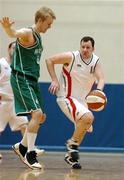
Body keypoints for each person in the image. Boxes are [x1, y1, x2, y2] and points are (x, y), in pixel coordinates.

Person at [0, 6, 56, 169]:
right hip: (21, 78)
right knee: (37, 114)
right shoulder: (28, 33)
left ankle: (21, 146)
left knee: (41, 117)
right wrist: (7, 28)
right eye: (48, 23)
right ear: (40, 20)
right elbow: (14, 34)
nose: (50, 27)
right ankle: (29, 155)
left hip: (32, 80)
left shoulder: (38, 36)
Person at [45, 36, 105, 169]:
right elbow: (49, 60)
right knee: (88, 117)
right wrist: (54, 80)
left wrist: (98, 92)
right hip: (66, 97)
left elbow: (101, 79)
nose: (84, 49)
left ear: (93, 49)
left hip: (82, 101)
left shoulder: (95, 61)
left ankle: (71, 156)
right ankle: (72, 144)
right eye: (82, 47)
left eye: (88, 47)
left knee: (85, 124)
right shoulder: (71, 56)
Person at [0, 42, 44, 159]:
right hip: (2, 101)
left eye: (17, 48)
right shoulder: (1, 63)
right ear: (8, 49)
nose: (15, 50)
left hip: (15, 101)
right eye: (13, 48)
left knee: (25, 125)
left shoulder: (19, 65)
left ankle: (30, 148)